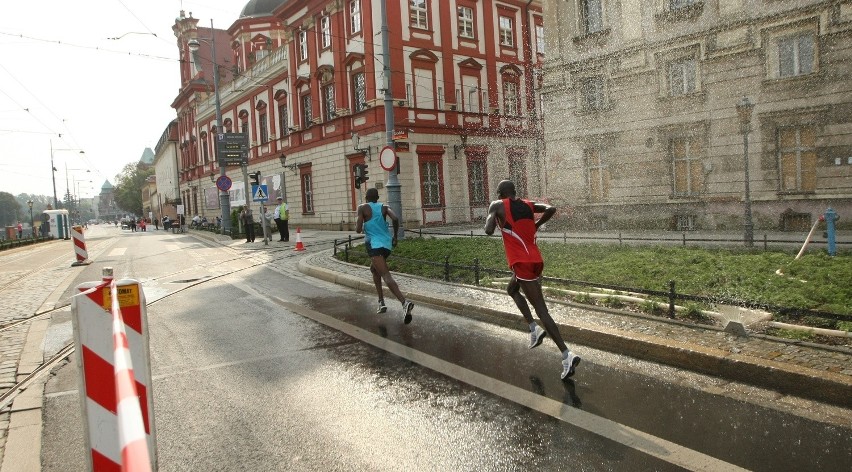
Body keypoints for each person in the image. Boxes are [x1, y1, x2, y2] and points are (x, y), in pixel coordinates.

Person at [484, 180, 581, 380]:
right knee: (511, 289)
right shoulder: (528, 204)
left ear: (501, 193)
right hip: (535, 259)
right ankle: (533, 328)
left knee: (541, 310)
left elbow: (487, 230)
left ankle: (566, 354)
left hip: (522, 262)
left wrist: (492, 218)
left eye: (498, 193)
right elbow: (551, 208)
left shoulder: (498, 205)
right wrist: (536, 224)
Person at [355, 187, 414, 324]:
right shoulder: (384, 207)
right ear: (377, 198)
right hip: (386, 245)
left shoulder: (362, 208)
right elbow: (395, 218)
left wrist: (362, 224)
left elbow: (358, 230)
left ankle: (405, 303)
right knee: (374, 269)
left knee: (385, 275)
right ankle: (381, 302)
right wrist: (395, 236)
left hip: (374, 246)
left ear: (366, 198)